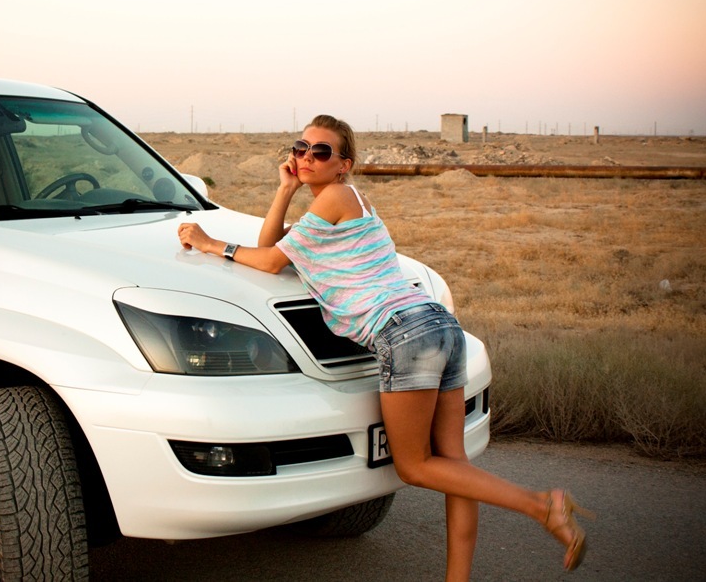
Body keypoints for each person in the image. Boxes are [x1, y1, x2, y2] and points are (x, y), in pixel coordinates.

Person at [177, 115, 593, 580]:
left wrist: (210, 244)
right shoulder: (343, 206)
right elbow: (272, 245)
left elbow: (270, 261)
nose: (306, 157)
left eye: (320, 151)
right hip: (438, 325)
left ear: (344, 164)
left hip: (404, 333)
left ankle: (542, 505)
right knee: (454, 467)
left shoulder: (335, 197)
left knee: (414, 466)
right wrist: (285, 189)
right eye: (300, 147)